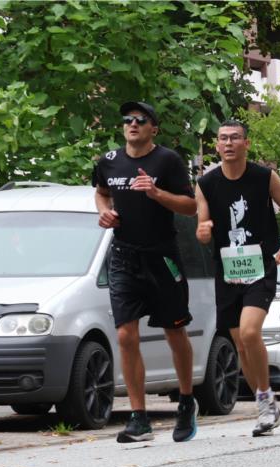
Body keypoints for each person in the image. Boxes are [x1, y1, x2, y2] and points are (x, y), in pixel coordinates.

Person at [92, 101, 199, 443]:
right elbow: (100, 193)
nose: (132, 124)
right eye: (127, 119)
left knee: (174, 332)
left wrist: (155, 193)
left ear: (154, 128)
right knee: (125, 335)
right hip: (124, 256)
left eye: (141, 120)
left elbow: (190, 205)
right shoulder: (109, 161)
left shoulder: (167, 161)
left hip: (162, 256)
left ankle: (185, 401)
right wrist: (105, 212)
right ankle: (139, 418)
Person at [196, 120, 280, 436]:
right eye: (223, 139)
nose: (228, 143)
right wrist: (203, 231)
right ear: (216, 146)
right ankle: (266, 403)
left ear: (246, 144)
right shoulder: (205, 184)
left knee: (251, 332)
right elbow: (202, 228)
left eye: (235, 138)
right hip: (227, 270)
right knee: (240, 345)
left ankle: (266, 402)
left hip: (260, 267)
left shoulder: (264, 177)